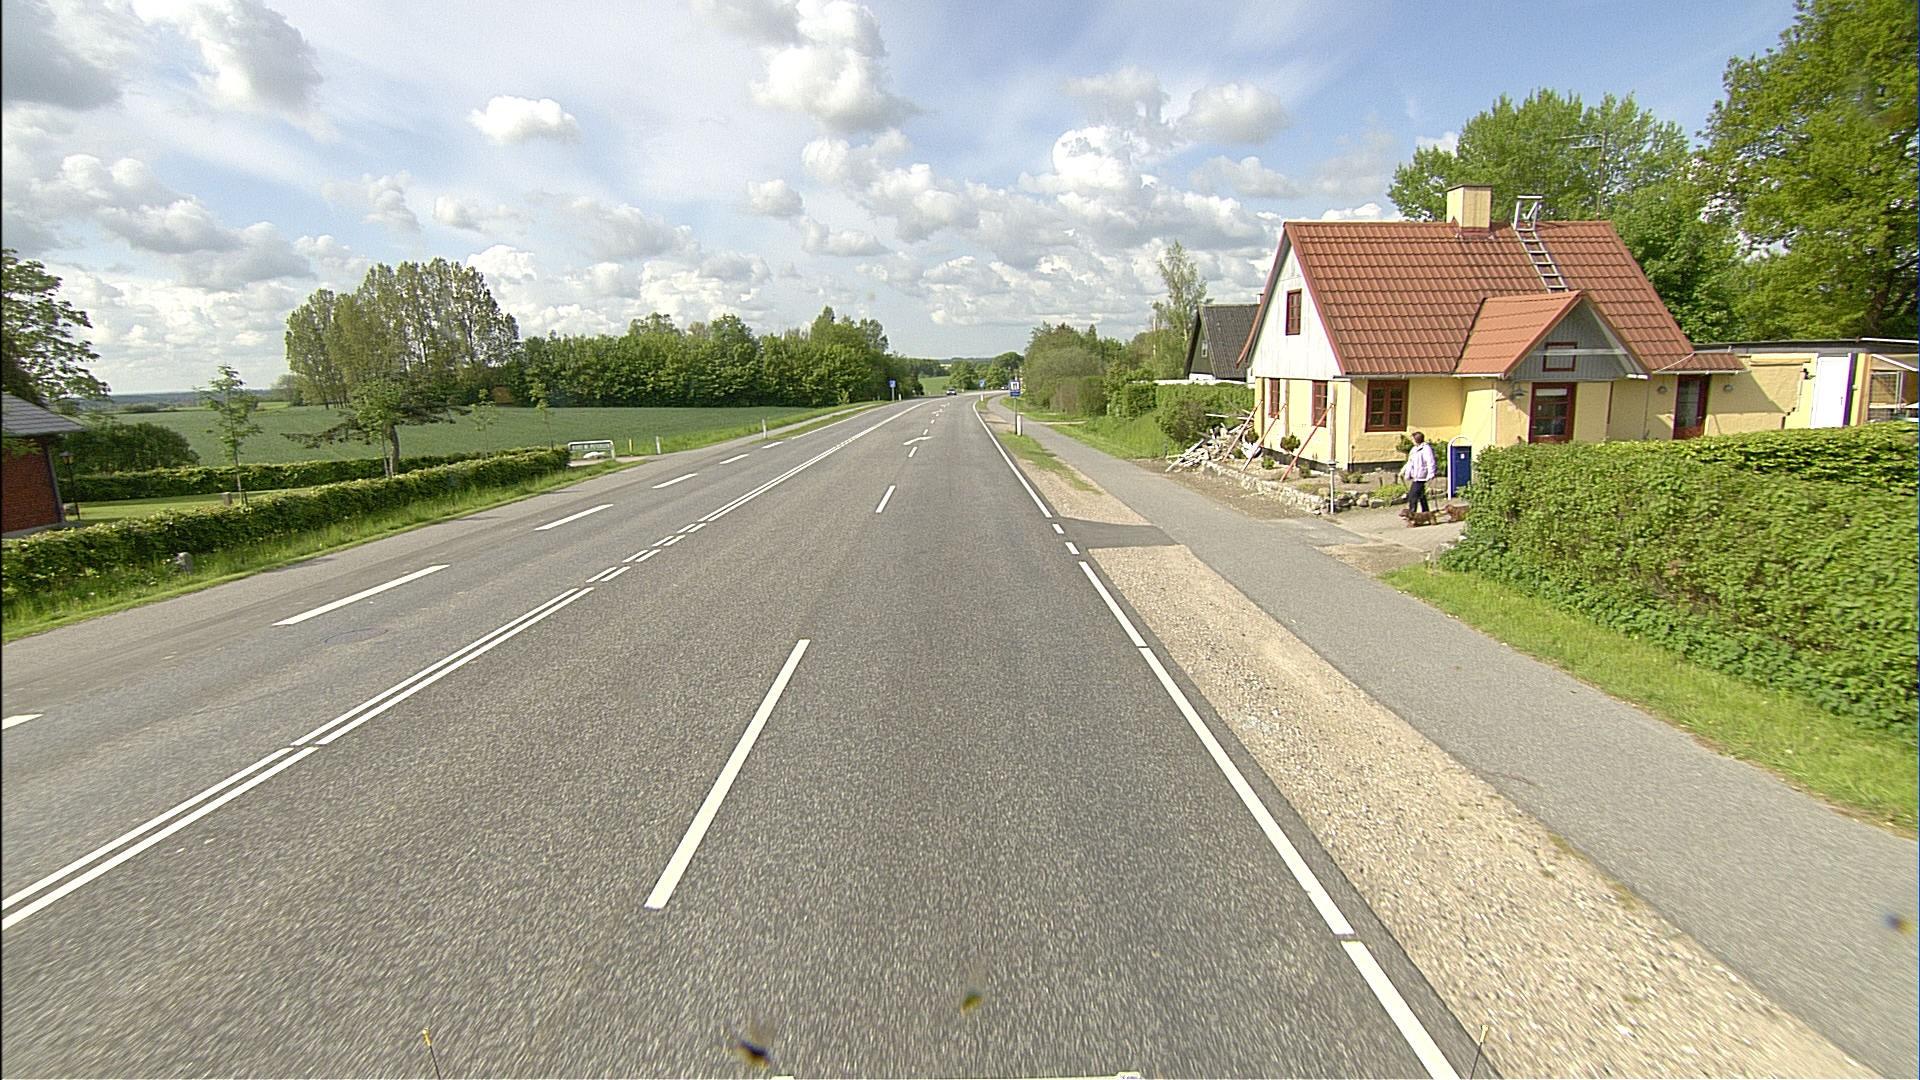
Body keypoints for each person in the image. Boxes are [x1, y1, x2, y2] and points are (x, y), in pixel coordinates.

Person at [1401, 430, 1435, 520]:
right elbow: (1410, 462)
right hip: (1415, 475)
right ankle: (1426, 514)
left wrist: (1431, 474)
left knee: (1413, 495)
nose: (1412, 440)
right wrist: (1403, 471)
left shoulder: (1426, 448)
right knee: (1421, 496)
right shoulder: (1414, 449)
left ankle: (1411, 514)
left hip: (1421, 476)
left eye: (1413, 439)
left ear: (1417, 439)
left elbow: (1430, 462)